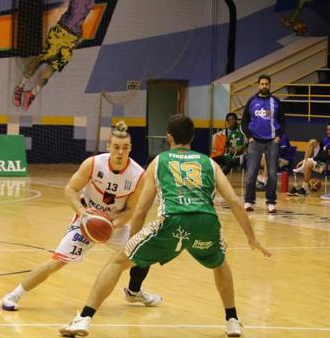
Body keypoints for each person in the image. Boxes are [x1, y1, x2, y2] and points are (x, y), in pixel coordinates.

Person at [59, 114, 271, 338]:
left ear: (169, 138)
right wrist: (252, 237)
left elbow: (141, 209)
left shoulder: (159, 161)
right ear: (193, 137)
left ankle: (83, 319)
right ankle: (232, 321)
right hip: (206, 221)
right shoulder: (209, 162)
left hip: (173, 220)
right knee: (220, 264)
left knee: (118, 261)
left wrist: (132, 241)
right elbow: (235, 202)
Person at [0, 121, 161, 311]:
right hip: (86, 222)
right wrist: (83, 214)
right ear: (108, 146)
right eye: (116, 147)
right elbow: (70, 189)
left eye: (125, 148)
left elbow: (131, 210)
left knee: (143, 253)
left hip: (115, 224)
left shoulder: (138, 175)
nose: (120, 152)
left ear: (130, 148)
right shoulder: (93, 164)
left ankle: (134, 292)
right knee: (57, 262)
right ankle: (13, 295)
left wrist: (112, 225)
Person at [13, 0, 118, 111]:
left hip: (73, 37)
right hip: (62, 31)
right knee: (41, 59)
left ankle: (32, 94)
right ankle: (20, 87)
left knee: (52, 69)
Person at [241, 74, 285, 214]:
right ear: (258, 85)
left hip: (272, 142)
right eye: (262, 84)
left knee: (272, 174)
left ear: (269, 85)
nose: (264, 86)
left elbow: (283, 121)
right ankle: (249, 201)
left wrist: (278, 137)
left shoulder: (276, 101)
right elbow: (244, 121)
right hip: (255, 142)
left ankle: (271, 202)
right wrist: (249, 137)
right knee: (251, 173)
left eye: (266, 84)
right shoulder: (251, 101)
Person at [288, 120, 330, 196]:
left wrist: (315, 162)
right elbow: (320, 153)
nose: (327, 131)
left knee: (309, 164)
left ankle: (305, 167)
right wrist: (304, 160)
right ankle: (304, 187)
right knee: (312, 142)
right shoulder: (325, 139)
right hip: (320, 160)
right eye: (327, 129)